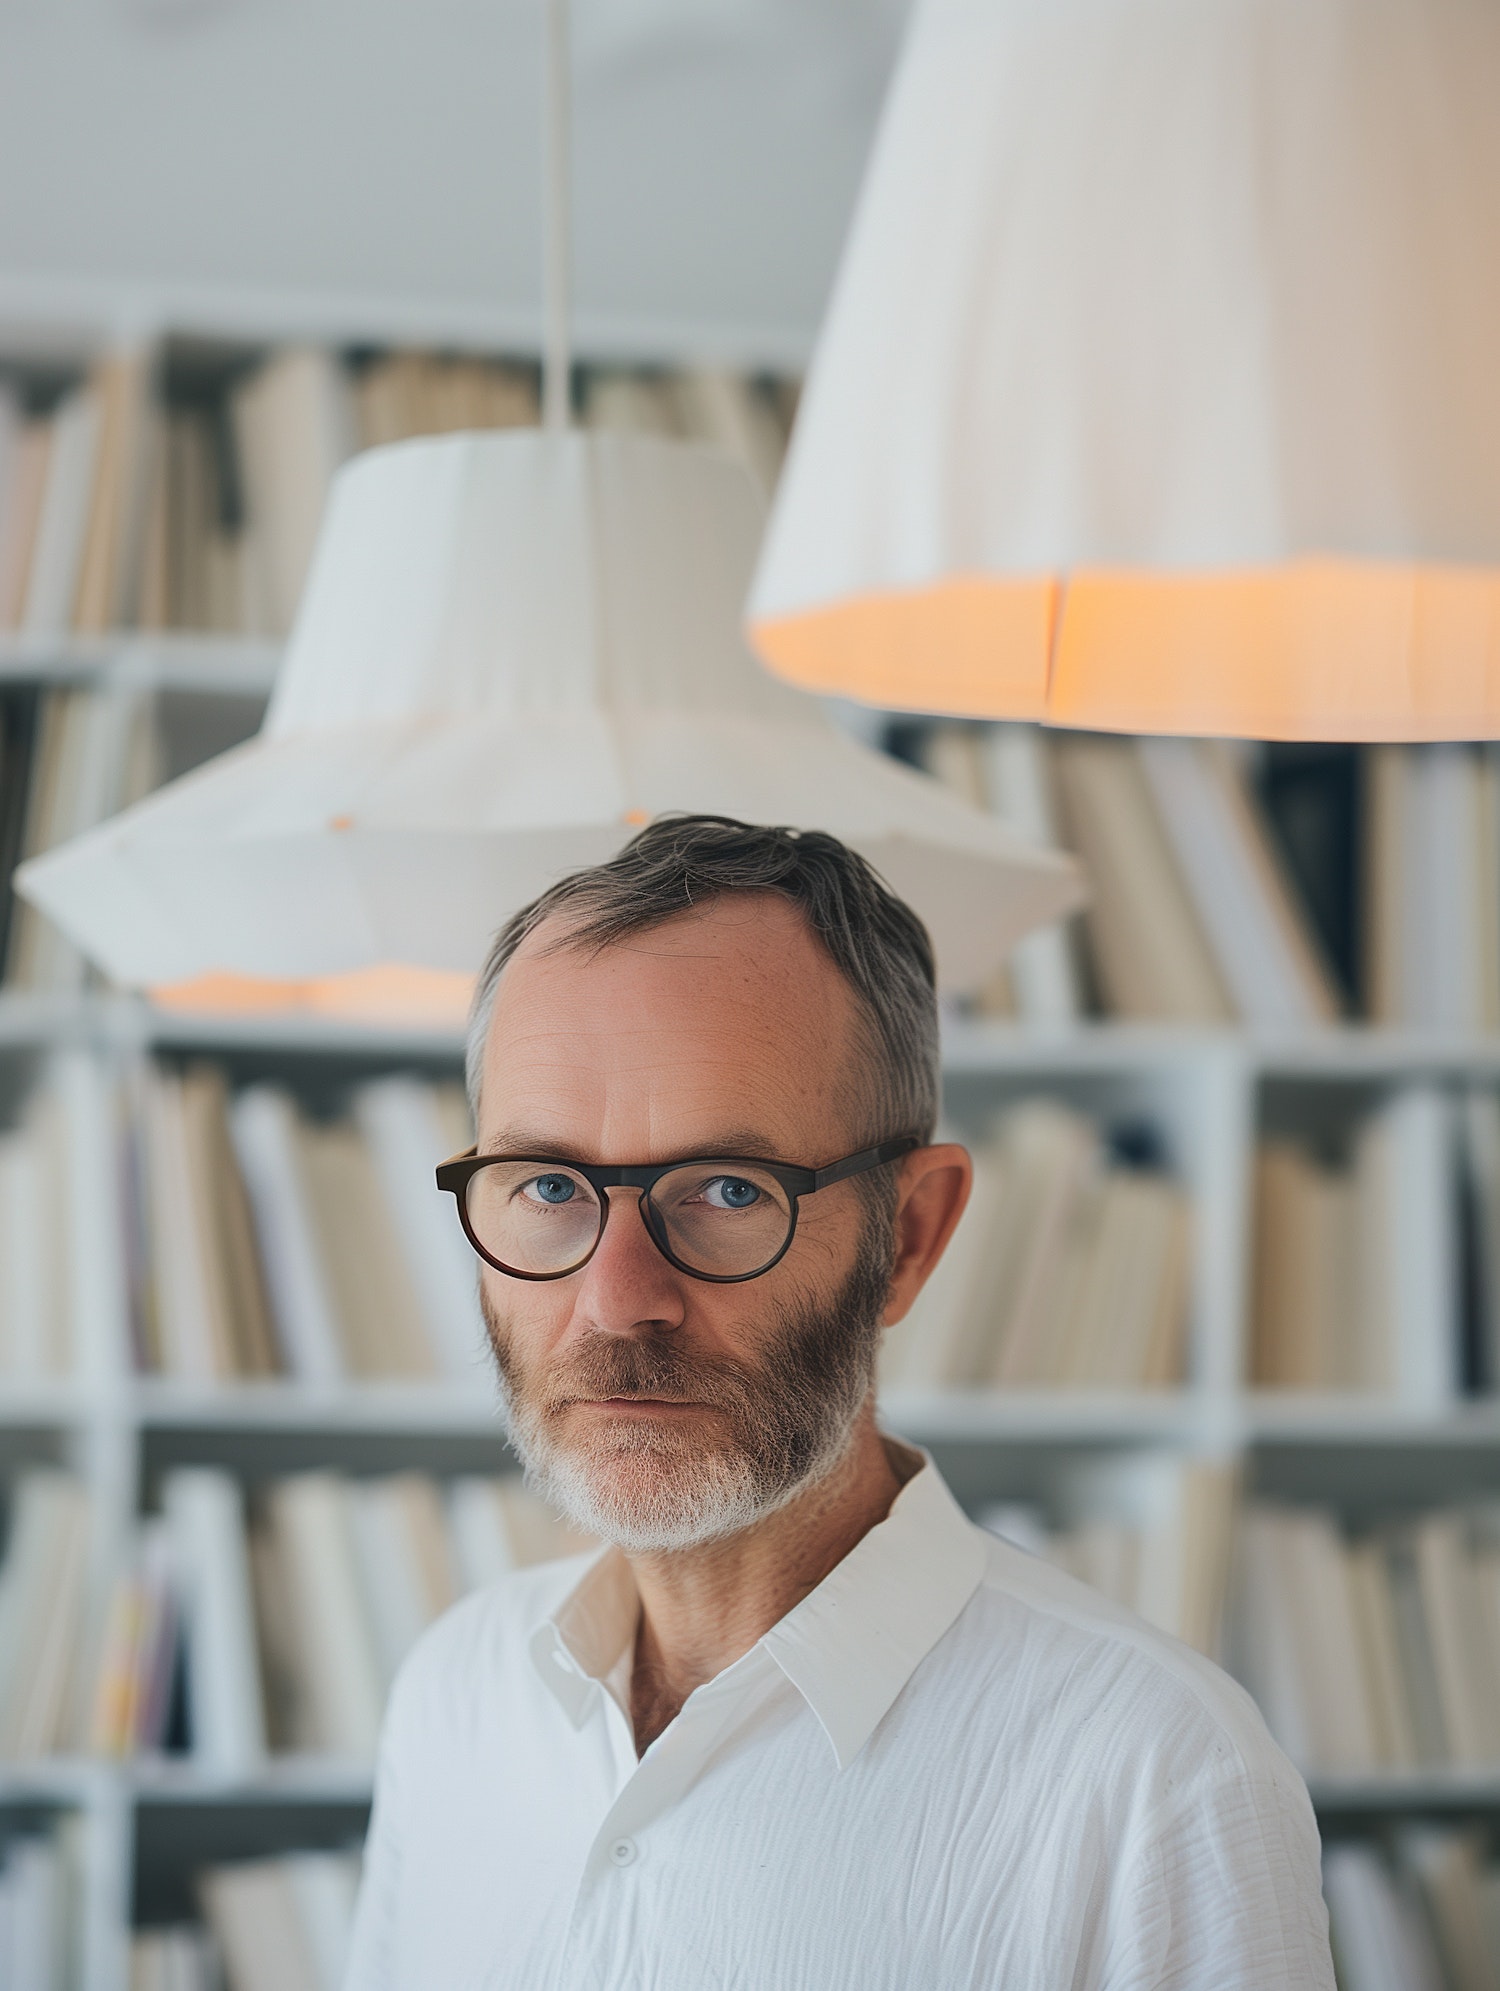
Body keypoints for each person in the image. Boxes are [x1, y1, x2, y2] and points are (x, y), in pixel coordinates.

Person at [344, 814, 1334, 1990]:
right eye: (548, 1183)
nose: (617, 1300)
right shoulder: (456, 1695)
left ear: (908, 1237)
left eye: (725, 1187)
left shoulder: (1154, 1774)